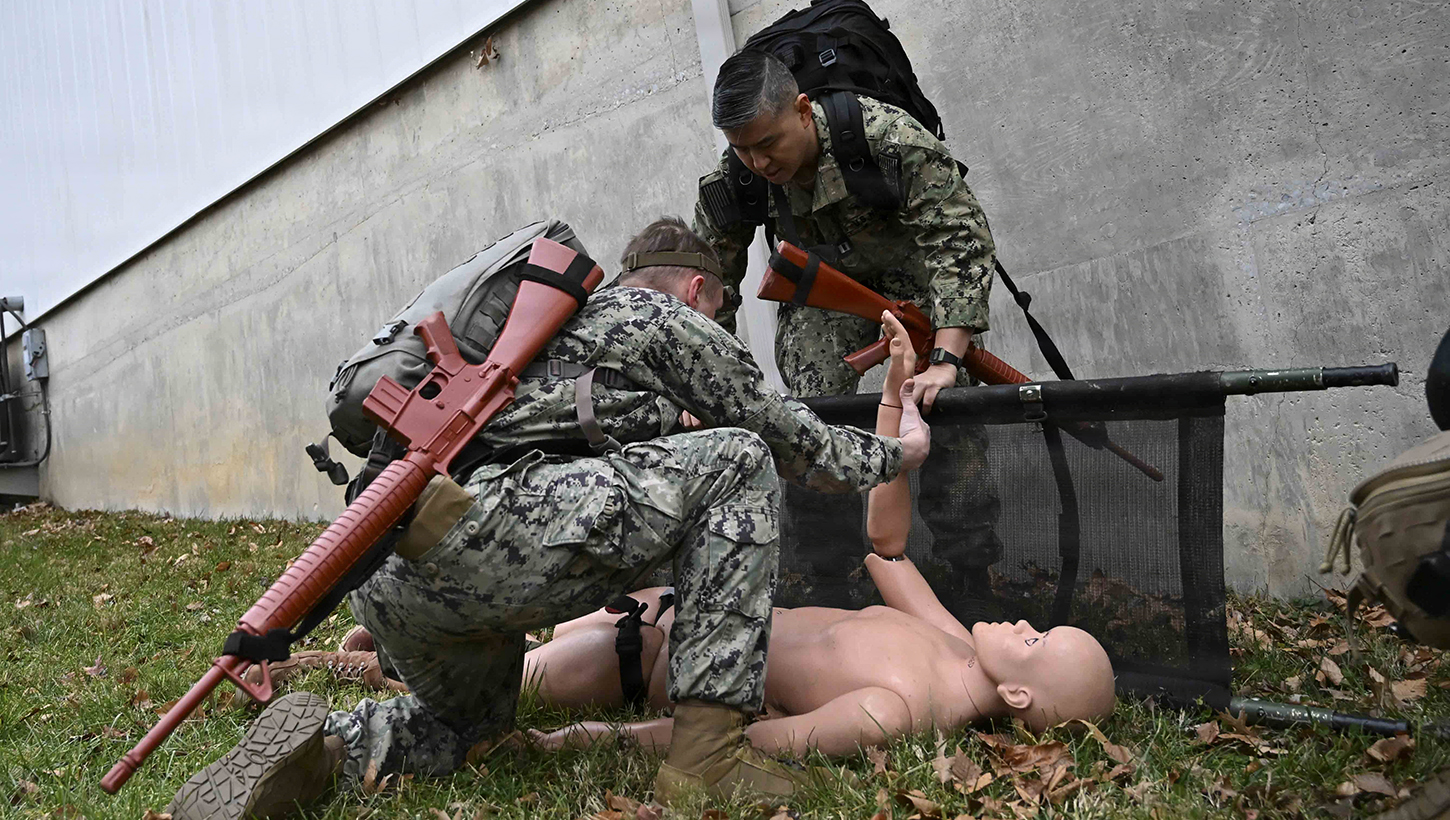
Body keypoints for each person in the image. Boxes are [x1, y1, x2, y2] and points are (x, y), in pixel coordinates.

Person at [166, 218, 929, 820]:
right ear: (698, 291)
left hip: (388, 565)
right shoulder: (653, 318)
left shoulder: (532, 343)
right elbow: (790, 438)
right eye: (721, 311)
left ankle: (328, 750)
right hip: (496, 537)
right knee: (737, 458)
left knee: (464, 731)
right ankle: (708, 762)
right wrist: (899, 452)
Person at [281, 315, 1117, 757]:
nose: (1019, 622)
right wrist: (894, 400)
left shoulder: (895, 711)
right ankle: (368, 653)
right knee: (512, 635)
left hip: (638, 660)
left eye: (1036, 641)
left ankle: (354, 670)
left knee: (518, 682)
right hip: (674, 600)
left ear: (1016, 697)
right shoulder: (950, 645)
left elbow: (734, 737)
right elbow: (887, 550)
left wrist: (577, 741)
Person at [692, 49, 1004, 615]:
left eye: (768, 143)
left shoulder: (888, 140)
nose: (758, 162)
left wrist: (947, 360)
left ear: (804, 110)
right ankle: (828, 579)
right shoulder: (735, 181)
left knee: (942, 405)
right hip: (822, 298)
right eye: (743, 148)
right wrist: (704, 381)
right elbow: (709, 285)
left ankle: (970, 573)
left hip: (914, 292)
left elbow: (959, 241)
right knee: (811, 414)